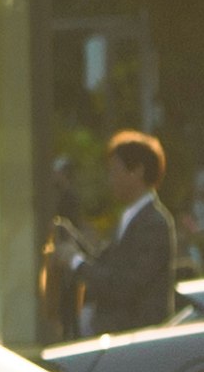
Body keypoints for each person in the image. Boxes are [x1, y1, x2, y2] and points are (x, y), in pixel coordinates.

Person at [78, 133, 182, 333]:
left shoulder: (154, 222)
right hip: (122, 334)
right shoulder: (130, 216)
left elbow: (124, 285)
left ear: (137, 171)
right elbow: (105, 263)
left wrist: (76, 263)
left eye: (114, 171)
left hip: (139, 338)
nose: (110, 180)